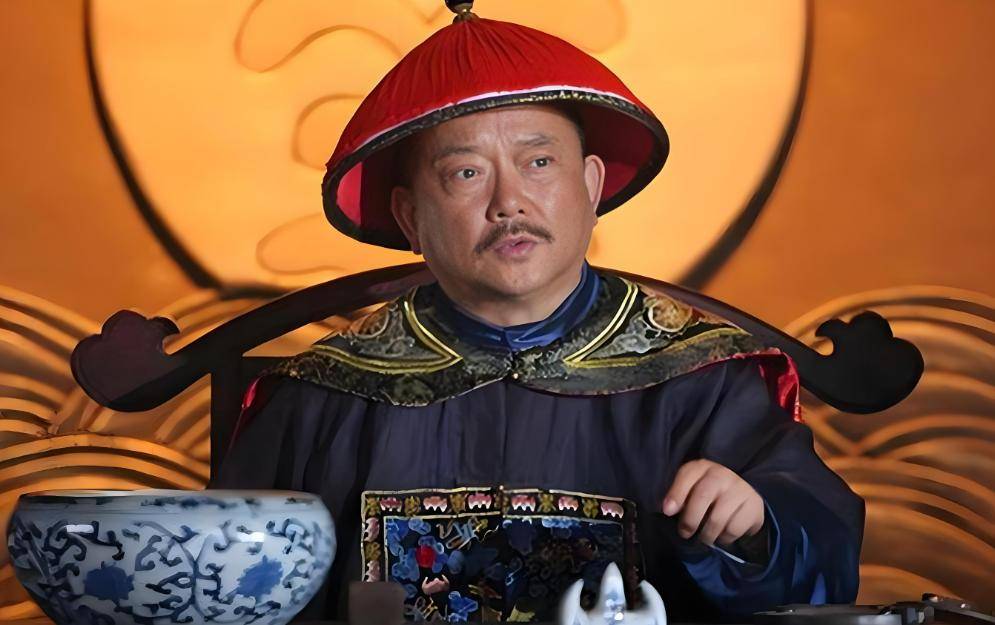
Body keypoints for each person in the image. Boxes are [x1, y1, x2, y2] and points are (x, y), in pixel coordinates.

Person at [212, 2, 864, 622]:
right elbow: (226, 584)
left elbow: (822, 563)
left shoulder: (703, 379)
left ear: (591, 185)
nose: (509, 202)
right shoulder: (326, 396)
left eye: (539, 162)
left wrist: (755, 530)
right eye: (467, 173)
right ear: (410, 216)